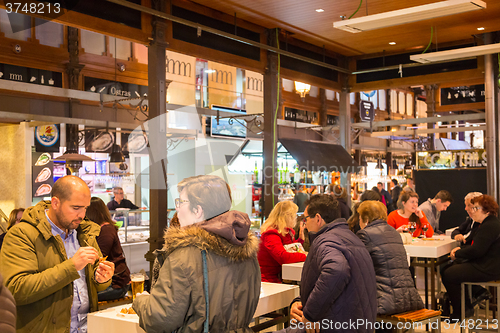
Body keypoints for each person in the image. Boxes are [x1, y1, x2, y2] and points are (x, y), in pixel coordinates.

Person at [133, 175, 260, 333]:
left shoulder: (183, 257)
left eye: (181, 202)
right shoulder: (245, 248)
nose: (177, 208)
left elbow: (159, 320)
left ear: (198, 210)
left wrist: (141, 301)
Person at [0, 175, 114, 333]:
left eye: (85, 208)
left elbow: (93, 282)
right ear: (55, 203)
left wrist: (102, 278)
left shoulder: (84, 232)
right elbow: (15, 289)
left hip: (86, 327)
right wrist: (72, 266)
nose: (82, 215)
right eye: (75, 208)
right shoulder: (21, 234)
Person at [289, 194, 377, 331]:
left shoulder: (326, 240)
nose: (305, 225)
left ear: (318, 218)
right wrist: (300, 301)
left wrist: (310, 314)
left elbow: (337, 270)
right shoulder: (349, 237)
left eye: (305, 219)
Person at [356, 201, 424, 315]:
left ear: (366, 219)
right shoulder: (394, 232)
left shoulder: (365, 234)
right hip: (409, 297)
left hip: (384, 301)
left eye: (359, 218)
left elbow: (358, 266)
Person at [441, 195, 500, 320]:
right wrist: (460, 251)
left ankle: (460, 312)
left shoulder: (489, 225)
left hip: (488, 267)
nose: (472, 211)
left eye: (476, 208)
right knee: (447, 269)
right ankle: (467, 305)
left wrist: (457, 253)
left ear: (487, 211)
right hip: (486, 263)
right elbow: (475, 246)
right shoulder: (485, 223)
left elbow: (477, 251)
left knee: (449, 273)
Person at [86, 197, 131, 301]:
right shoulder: (102, 228)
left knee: (84, 299)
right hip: (113, 281)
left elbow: (99, 257)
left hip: (117, 284)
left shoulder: (105, 229)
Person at [258, 201, 306, 283]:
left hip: (280, 276)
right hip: (269, 280)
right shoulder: (271, 234)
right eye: (294, 216)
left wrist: (300, 241)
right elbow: (283, 257)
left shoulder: (287, 231)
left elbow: (290, 249)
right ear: (287, 217)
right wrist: (305, 256)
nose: (296, 218)